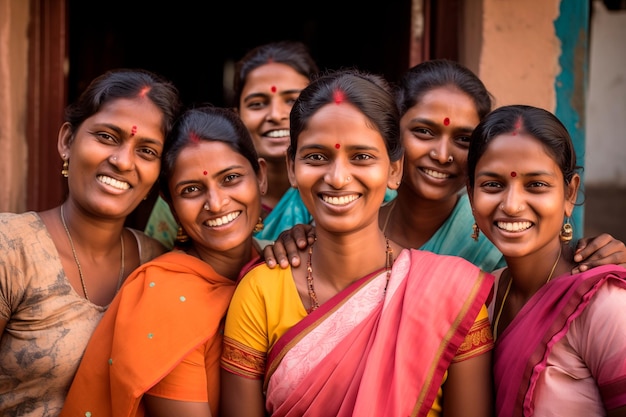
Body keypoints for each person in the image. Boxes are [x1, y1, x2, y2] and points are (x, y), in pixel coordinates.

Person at [220, 69, 495, 417]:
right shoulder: (259, 292)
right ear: (291, 168)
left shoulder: (453, 294)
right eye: (316, 156)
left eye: (362, 157)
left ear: (395, 169)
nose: (337, 178)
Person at [264, 59, 626, 275]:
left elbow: (553, 281)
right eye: (423, 131)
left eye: (464, 139)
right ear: (391, 139)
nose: (442, 154)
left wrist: (598, 258)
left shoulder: (501, 226)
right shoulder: (346, 204)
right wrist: (283, 244)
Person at [60, 106, 268, 417]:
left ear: (261, 177)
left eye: (231, 178)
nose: (216, 203)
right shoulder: (166, 296)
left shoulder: (281, 264)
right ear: (170, 204)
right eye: (192, 190)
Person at [0, 68, 181, 416]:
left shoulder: (157, 266)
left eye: (146, 151)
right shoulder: (12, 248)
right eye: (107, 137)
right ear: (67, 140)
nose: (122, 161)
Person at [466, 104, 626, 417]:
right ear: (471, 195)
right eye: (493, 184)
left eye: (536, 185)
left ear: (569, 194)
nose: (512, 205)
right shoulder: (485, 295)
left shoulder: (603, 304)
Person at [144, 41, 319, 247]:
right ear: (236, 116)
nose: (275, 115)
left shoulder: (327, 189)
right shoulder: (185, 192)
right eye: (257, 104)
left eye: (292, 101)